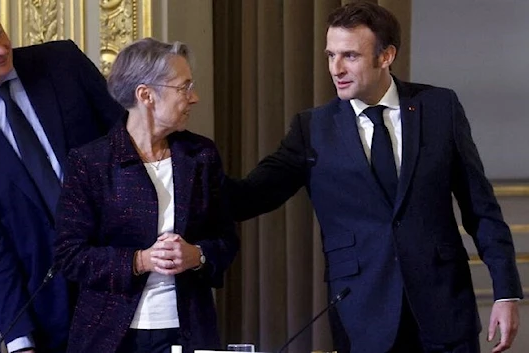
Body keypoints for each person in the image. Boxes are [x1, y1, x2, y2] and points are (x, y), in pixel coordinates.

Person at [226, 2, 522, 353]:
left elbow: (481, 208)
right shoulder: (313, 129)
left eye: (349, 56)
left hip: (443, 308)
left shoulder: (439, 108)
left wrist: (505, 291)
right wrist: (190, 161)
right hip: (362, 315)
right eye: (330, 55)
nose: (336, 68)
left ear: (386, 56)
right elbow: (252, 196)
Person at [0, 0, 125, 352]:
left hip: (129, 272)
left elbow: (130, 140)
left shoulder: (62, 63)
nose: (2, 49)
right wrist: (20, 340)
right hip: (55, 309)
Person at [53, 37, 238, 353]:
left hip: (188, 328)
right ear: (146, 95)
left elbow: (226, 240)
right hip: (110, 335)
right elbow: (70, 256)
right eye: (184, 87)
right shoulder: (92, 162)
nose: (194, 98)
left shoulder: (200, 155)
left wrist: (198, 255)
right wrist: (139, 260)